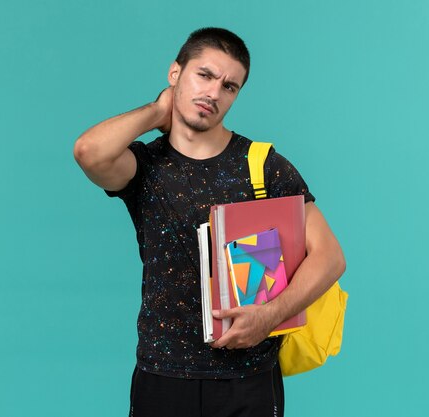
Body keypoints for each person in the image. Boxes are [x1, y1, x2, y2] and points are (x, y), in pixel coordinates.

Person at [73, 27, 345, 417]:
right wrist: (156, 111)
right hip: (163, 376)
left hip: (248, 379)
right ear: (175, 73)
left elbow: (330, 257)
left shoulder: (263, 165)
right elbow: (88, 152)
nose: (214, 93)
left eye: (230, 86)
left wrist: (268, 316)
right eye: (204, 75)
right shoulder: (145, 166)